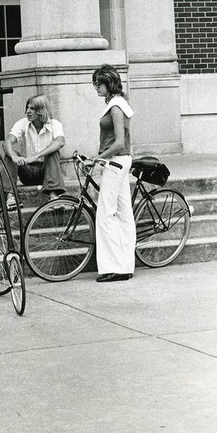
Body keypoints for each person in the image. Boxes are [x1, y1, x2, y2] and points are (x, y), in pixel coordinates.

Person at [92, 64, 135, 283]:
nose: (96, 88)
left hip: (116, 162)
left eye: (98, 84)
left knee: (106, 213)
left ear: (108, 83)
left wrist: (100, 158)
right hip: (120, 161)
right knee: (124, 212)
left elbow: (119, 142)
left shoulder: (117, 105)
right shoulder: (119, 103)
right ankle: (125, 265)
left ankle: (113, 267)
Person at [4, 95, 66, 202]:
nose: (28, 111)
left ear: (41, 110)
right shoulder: (22, 123)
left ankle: (54, 196)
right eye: (27, 108)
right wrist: (14, 156)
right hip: (27, 171)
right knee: (10, 154)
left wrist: (36, 156)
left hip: (47, 173)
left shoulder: (55, 124)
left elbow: (60, 142)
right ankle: (9, 197)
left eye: (32, 108)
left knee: (53, 152)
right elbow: (7, 141)